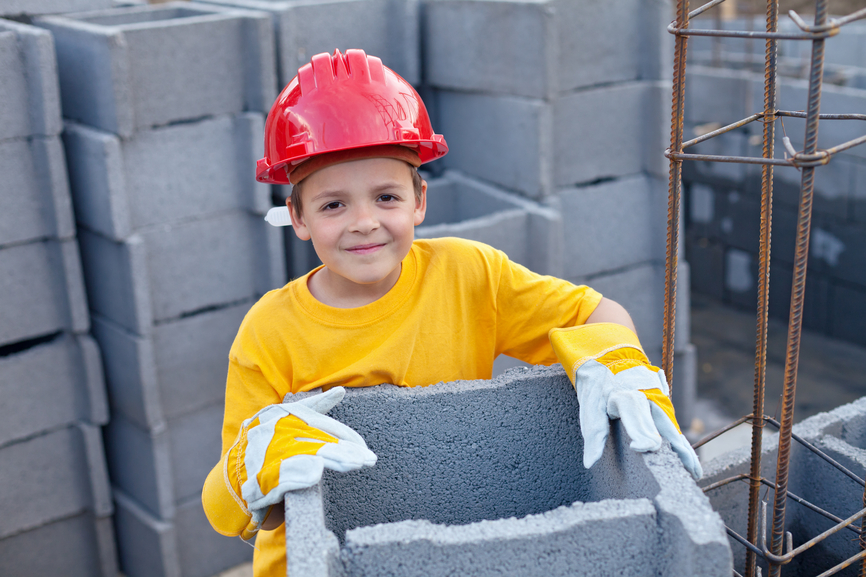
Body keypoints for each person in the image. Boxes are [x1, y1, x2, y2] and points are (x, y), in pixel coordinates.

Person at [202, 49, 701, 576]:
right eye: (333, 205)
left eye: (386, 197)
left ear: (419, 200)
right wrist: (253, 467)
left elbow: (595, 312)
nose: (365, 222)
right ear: (298, 217)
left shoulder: (469, 275)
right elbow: (224, 508)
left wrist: (619, 363)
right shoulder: (270, 331)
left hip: (449, 546)